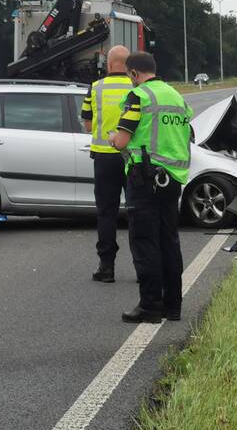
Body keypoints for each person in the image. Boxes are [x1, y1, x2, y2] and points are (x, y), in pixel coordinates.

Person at [109, 52, 193, 323]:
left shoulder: (138, 97)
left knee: (145, 243)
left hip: (144, 179)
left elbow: (122, 141)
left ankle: (150, 306)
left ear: (133, 73)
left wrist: (112, 137)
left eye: (128, 76)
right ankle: (173, 306)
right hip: (173, 179)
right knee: (169, 242)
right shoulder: (176, 97)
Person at [81, 45, 134, 283]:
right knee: (137, 212)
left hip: (104, 157)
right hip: (132, 158)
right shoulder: (138, 88)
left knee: (106, 213)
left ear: (109, 64)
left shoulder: (95, 88)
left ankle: (106, 267)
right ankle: (141, 268)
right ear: (129, 64)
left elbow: (88, 126)